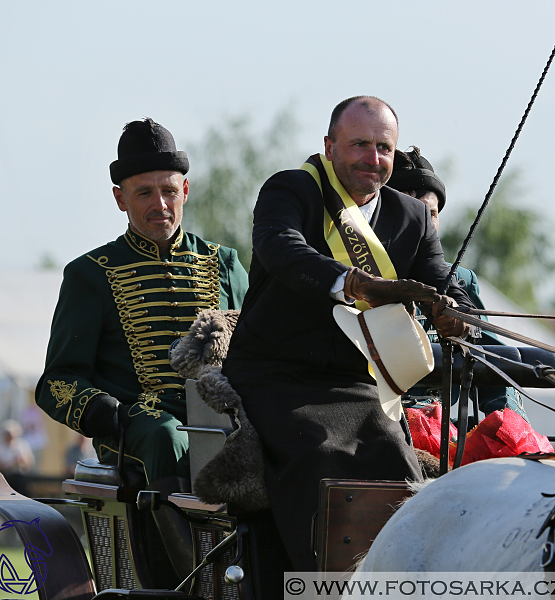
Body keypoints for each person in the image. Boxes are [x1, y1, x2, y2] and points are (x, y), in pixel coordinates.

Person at [221, 96, 472, 573]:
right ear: (329, 146)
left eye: (384, 148)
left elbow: (441, 277)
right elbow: (281, 248)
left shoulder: (411, 216)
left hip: (360, 385)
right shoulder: (292, 189)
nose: (372, 159)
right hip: (277, 378)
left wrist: (452, 308)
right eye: (359, 144)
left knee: (400, 472)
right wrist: (353, 283)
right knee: (320, 460)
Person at [35, 118, 249, 579]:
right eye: (144, 192)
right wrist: (103, 412)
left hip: (222, 415)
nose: (160, 204)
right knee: (166, 435)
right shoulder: (91, 273)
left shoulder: (224, 263)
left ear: (186, 190)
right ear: (120, 198)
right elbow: (56, 382)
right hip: (137, 427)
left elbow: (256, 351)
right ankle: (194, 576)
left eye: (169, 191)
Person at [388, 147, 528, 421]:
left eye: (431, 214)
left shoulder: (461, 281)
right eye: (409, 213)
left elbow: (494, 363)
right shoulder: (354, 278)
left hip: (440, 432)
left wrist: (507, 428)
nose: (422, 225)